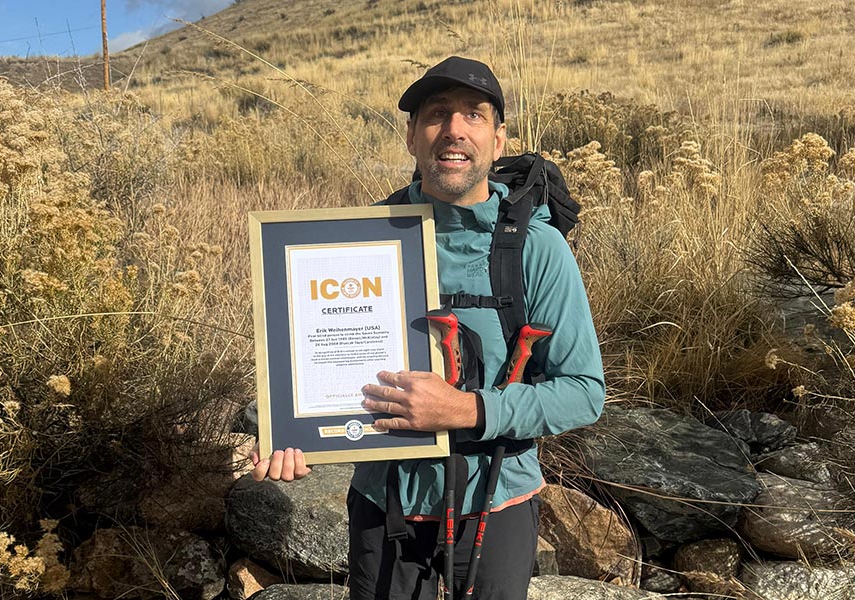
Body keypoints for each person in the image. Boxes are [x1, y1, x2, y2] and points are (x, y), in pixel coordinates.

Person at [250, 56, 605, 600]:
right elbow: (317, 373)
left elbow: (583, 393)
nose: (455, 130)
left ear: (499, 137)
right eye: (437, 114)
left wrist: (466, 410)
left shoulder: (537, 247)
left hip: (499, 496)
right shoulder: (353, 242)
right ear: (412, 136)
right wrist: (291, 439)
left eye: (474, 115)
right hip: (385, 498)